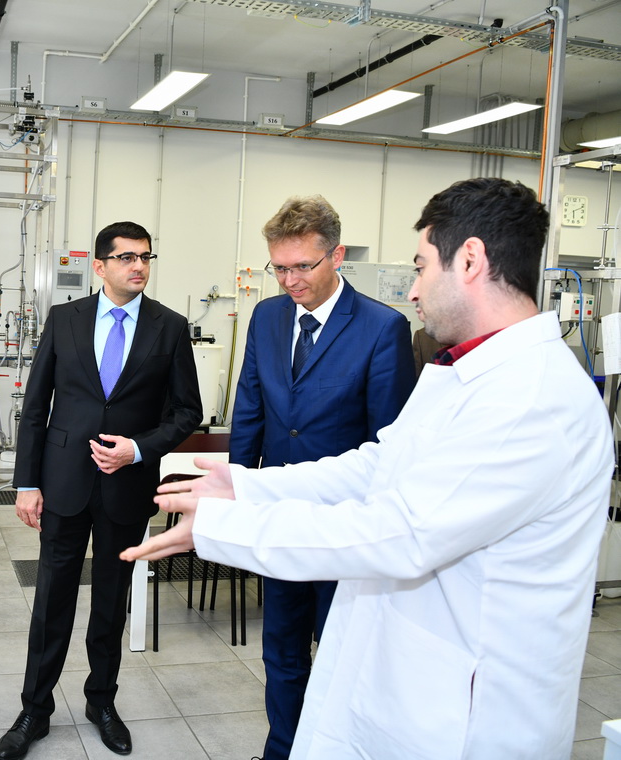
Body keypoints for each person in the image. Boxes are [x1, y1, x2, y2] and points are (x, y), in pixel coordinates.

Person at [122, 177, 613, 760]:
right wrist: (249, 484)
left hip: (470, 713)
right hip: (418, 676)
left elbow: (401, 533)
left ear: (471, 260)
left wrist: (224, 526)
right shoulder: (469, 375)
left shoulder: (532, 400)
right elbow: (379, 462)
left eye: (421, 267)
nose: (414, 290)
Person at [0, 221, 202, 759]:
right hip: (64, 482)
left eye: (146, 257)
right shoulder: (65, 319)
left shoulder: (170, 327)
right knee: (51, 601)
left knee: (111, 603)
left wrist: (138, 449)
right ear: (100, 265)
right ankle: (34, 710)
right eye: (127, 257)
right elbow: (36, 406)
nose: (139, 266)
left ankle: (102, 703)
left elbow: (187, 412)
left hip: (127, 486)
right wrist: (27, 482)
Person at [229, 195, 416, 760]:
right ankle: (282, 750)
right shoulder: (267, 317)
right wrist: (237, 489)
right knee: (281, 651)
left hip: (345, 528)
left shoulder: (382, 328)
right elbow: (250, 407)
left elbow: (389, 445)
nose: (289, 280)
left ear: (336, 256)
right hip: (280, 520)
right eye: (279, 268)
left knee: (342, 654)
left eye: (302, 266)